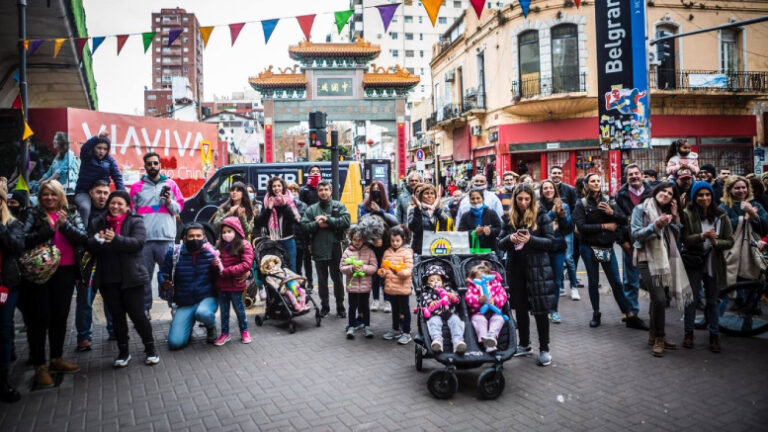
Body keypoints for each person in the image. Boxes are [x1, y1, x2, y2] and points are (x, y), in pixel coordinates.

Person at [20, 179, 87, 387]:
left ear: (60, 196)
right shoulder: (33, 214)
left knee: (60, 316)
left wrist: (63, 225)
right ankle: (40, 366)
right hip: (38, 273)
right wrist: (50, 230)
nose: (49, 198)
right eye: (45, 194)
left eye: (53, 194)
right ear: (40, 197)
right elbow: (23, 240)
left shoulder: (72, 213)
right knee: (39, 319)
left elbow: (83, 238)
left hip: (65, 271)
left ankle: (56, 359)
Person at [86, 191, 158, 367]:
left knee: (138, 316)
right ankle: (123, 352)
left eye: (120, 204)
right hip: (108, 279)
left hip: (132, 277)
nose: (115, 207)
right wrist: (98, 239)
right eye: (112, 203)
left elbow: (138, 243)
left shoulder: (135, 221)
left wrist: (115, 238)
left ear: (127, 207)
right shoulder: (98, 222)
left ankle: (150, 349)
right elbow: (89, 245)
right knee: (117, 317)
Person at [572, 173, 648, 330]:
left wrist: (611, 213)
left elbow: (623, 220)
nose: (595, 183)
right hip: (589, 248)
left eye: (598, 181)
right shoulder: (582, 204)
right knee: (593, 282)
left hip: (606, 248)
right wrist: (604, 226)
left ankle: (629, 315)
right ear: (586, 184)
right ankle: (596, 313)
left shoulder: (609, 200)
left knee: (616, 283)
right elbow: (581, 228)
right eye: (592, 181)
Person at [496, 184, 555, 365]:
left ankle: (544, 348)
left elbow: (551, 242)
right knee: (520, 308)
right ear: (514, 199)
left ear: (532, 199)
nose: (523, 203)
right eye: (519, 199)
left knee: (540, 310)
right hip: (516, 268)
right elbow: (499, 242)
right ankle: (524, 344)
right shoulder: (509, 218)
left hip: (538, 268)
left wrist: (531, 239)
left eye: (527, 199)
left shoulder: (541, 215)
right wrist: (510, 238)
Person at [631, 183, 691, 357]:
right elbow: (635, 234)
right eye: (663, 190)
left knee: (656, 299)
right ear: (656, 191)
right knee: (659, 299)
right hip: (646, 258)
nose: (665, 194)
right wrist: (655, 225)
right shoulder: (641, 209)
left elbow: (675, 236)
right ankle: (660, 337)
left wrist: (674, 217)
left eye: (670, 193)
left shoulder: (668, 213)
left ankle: (652, 334)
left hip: (665, 259)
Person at [130, 152, 185, 318]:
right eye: (149, 164)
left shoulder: (171, 185)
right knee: (144, 277)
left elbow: (178, 210)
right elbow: (132, 215)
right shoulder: (136, 187)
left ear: (160, 165)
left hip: (166, 238)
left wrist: (169, 201)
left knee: (169, 276)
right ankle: (145, 309)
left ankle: (174, 306)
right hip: (144, 241)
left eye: (155, 163)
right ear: (145, 166)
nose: (152, 166)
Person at [682, 181, 733, 353]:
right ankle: (688, 333)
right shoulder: (687, 213)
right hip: (694, 261)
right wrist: (702, 236)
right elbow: (686, 239)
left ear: (712, 196)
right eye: (700, 195)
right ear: (694, 197)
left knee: (712, 301)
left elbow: (729, 241)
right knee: (691, 299)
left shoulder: (721, 216)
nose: (704, 198)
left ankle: (714, 335)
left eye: (708, 194)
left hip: (714, 262)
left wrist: (715, 242)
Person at [158, 223, 219, 349]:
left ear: (204, 237)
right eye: (191, 236)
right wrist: (164, 281)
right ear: (184, 238)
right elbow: (163, 272)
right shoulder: (174, 253)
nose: (195, 239)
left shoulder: (211, 254)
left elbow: (225, 272)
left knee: (203, 313)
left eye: (198, 235)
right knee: (175, 343)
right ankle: (187, 327)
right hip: (185, 302)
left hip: (207, 299)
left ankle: (211, 327)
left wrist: (217, 268)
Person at [301, 180, 351, 318]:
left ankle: (340, 306)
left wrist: (327, 220)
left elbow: (346, 222)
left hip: (336, 247)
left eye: (326, 189)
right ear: (317, 192)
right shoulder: (312, 209)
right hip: (319, 248)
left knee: (338, 280)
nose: (323, 192)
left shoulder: (339, 205)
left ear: (331, 191)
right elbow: (304, 226)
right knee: (322, 281)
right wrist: (317, 224)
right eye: (321, 190)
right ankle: (325, 306)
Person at [75, 180, 115, 351]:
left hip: (108, 262)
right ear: (91, 192)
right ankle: (84, 337)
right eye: (99, 192)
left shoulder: (112, 211)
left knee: (112, 299)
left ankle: (114, 330)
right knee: (85, 301)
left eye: (105, 193)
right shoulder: (82, 212)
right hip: (88, 262)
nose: (102, 196)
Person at [615, 164, 651, 319]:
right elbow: (617, 221)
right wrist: (623, 242)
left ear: (642, 174)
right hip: (630, 242)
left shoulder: (652, 192)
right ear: (626, 177)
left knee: (654, 278)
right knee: (631, 279)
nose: (634, 176)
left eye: (637, 173)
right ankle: (632, 312)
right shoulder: (620, 195)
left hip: (650, 241)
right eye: (631, 174)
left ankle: (655, 312)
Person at [212, 217, 254, 346]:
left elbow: (246, 264)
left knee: (239, 310)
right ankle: (225, 333)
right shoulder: (219, 245)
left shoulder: (244, 244)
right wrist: (213, 264)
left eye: (229, 231)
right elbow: (213, 264)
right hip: (222, 286)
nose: (226, 234)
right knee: (224, 312)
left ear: (236, 231)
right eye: (224, 232)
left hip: (236, 285)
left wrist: (227, 271)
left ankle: (244, 331)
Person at [0, 178, 24, 403]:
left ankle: (4, 380)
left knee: (4, 331)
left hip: (6, 285)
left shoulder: (13, 224)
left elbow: (16, 247)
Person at [719, 176, 768, 286]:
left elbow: (765, 225)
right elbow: (722, 227)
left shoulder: (755, 205)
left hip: (752, 250)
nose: (741, 191)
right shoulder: (724, 206)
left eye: (743, 187)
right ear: (729, 190)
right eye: (737, 188)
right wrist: (743, 219)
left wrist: (754, 215)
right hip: (732, 250)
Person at [538, 180, 573, 324]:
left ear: (555, 190)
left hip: (558, 247)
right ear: (541, 191)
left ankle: (554, 310)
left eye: (550, 188)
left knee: (556, 281)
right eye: (545, 188)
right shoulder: (537, 205)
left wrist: (562, 215)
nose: (548, 190)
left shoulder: (563, 205)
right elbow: (539, 225)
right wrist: (553, 214)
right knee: (542, 280)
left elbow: (568, 227)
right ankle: (542, 308)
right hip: (541, 248)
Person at [73, 133, 124, 224]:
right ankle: (83, 233)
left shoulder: (110, 160)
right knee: (85, 208)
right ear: (93, 147)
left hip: (102, 193)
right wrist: (97, 138)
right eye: (99, 148)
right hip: (83, 192)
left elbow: (117, 177)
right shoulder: (87, 156)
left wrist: (123, 195)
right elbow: (84, 148)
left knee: (115, 207)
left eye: (105, 149)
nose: (102, 151)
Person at [340, 225, 378, 339]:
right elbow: (342, 267)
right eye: (355, 239)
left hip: (365, 287)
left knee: (365, 306)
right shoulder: (347, 252)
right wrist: (351, 268)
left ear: (364, 240)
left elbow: (374, 267)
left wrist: (363, 268)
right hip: (352, 287)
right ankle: (351, 326)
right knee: (352, 307)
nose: (357, 242)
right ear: (351, 239)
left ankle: (367, 326)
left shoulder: (370, 252)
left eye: (360, 240)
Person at [418, 265, 465, 354]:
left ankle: (458, 341)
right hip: (435, 313)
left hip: (449, 312)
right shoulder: (427, 292)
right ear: (428, 284)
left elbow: (457, 300)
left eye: (438, 280)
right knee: (434, 323)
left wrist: (453, 297)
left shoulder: (448, 289)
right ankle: (437, 340)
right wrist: (430, 303)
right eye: (432, 280)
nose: (435, 282)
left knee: (456, 321)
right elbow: (424, 302)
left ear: (443, 281)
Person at [548, 166, 580, 295]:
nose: (556, 175)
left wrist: (572, 223)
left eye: (559, 173)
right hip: (552, 231)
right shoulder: (546, 190)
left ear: (562, 175)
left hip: (566, 229)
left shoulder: (570, 189)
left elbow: (575, 209)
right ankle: (560, 286)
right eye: (554, 173)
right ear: (550, 174)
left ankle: (574, 287)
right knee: (557, 259)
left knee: (569, 258)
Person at [257, 177, 301, 272]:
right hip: (273, 241)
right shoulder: (267, 200)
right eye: (274, 186)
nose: (276, 188)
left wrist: (285, 205)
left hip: (288, 240)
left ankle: (292, 287)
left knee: (291, 268)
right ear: (270, 188)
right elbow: (261, 222)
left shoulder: (289, 200)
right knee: (276, 269)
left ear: (283, 187)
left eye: (279, 185)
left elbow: (293, 219)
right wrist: (269, 209)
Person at [380, 225, 414, 344]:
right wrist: (382, 272)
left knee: (405, 310)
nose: (395, 243)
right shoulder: (387, 252)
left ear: (403, 239)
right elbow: (383, 268)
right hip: (391, 287)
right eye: (392, 241)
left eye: (397, 240)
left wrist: (399, 272)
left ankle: (406, 332)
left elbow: (409, 270)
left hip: (402, 287)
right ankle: (395, 329)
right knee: (394, 309)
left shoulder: (407, 253)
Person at [464, 264, 508, 354]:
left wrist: (495, 301)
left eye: (485, 276)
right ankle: (486, 342)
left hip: (494, 310)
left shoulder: (495, 284)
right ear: (474, 278)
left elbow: (502, 295)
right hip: (478, 312)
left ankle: (492, 336)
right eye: (479, 278)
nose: (482, 279)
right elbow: (468, 298)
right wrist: (478, 300)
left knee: (499, 319)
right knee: (479, 320)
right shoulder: (471, 286)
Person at [408, 183, 452, 254]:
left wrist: (437, 210)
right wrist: (418, 209)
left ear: (436, 196)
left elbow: (448, 225)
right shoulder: (414, 210)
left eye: (432, 193)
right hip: (420, 250)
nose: (429, 196)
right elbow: (413, 228)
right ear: (421, 196)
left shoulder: (444, 209)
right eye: (426, 193)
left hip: (440, 248)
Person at [287, 182, 312, 289]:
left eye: (295, 191)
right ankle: (297, 286)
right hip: (291, 239)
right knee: (295, 266)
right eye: (290, 191)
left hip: (303, 240)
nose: (293, 193)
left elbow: (304, 223)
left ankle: (308, 283)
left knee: (304, 263)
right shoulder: (285, 206)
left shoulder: (303, 206)